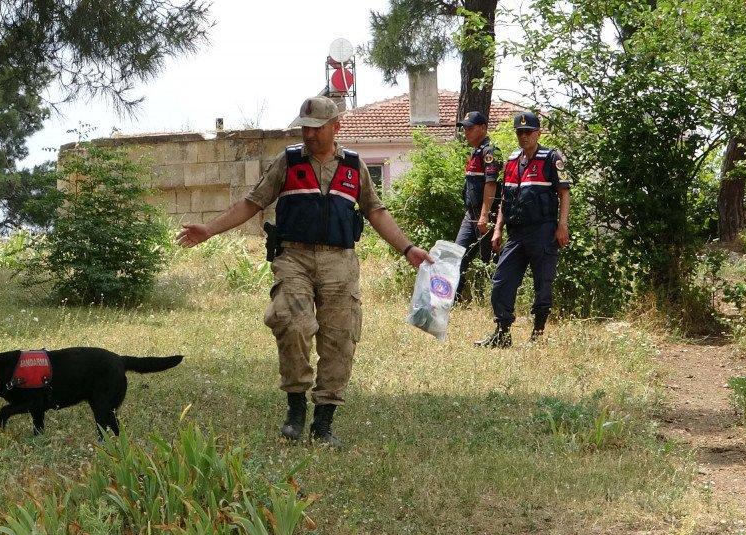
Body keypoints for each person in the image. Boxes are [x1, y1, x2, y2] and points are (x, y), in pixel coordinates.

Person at [177, 96, 431, 447]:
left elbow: (375, 212)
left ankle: (324, 422)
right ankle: (296, 409)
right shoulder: (289, 161)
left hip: (340, 261)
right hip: (294, 257)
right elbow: (252, 203)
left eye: (316, 128)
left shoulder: (354, 166)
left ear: (335, 126)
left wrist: (408, 248)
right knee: (292, 323)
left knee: (339, 338)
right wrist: (209, 229)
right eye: (304, 128)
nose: (309, 135)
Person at [477, 111, 571, 348]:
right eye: (520, 132)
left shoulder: (551, 158)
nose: (524, 137)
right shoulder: (511, 161)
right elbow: (505, 201)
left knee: (543, 284)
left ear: (538, 133)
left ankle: (537, 335)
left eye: (528, 132)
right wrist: (498, 229)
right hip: (516, 234)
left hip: (543, 231)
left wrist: (562, 225)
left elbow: (564, 193)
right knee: (501, 282)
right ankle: (502, 333)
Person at [454, 110, 503, 301]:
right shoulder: (476, 151)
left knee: (490, 260)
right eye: (464, 128)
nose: (466, 132)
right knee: (458, 255)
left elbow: (491, 184)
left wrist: (484, 216)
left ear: (483, 128)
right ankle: (454, 299)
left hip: (485, 216)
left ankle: (498, 300)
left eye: (470, 128)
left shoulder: (490, 151)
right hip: (470, 215)